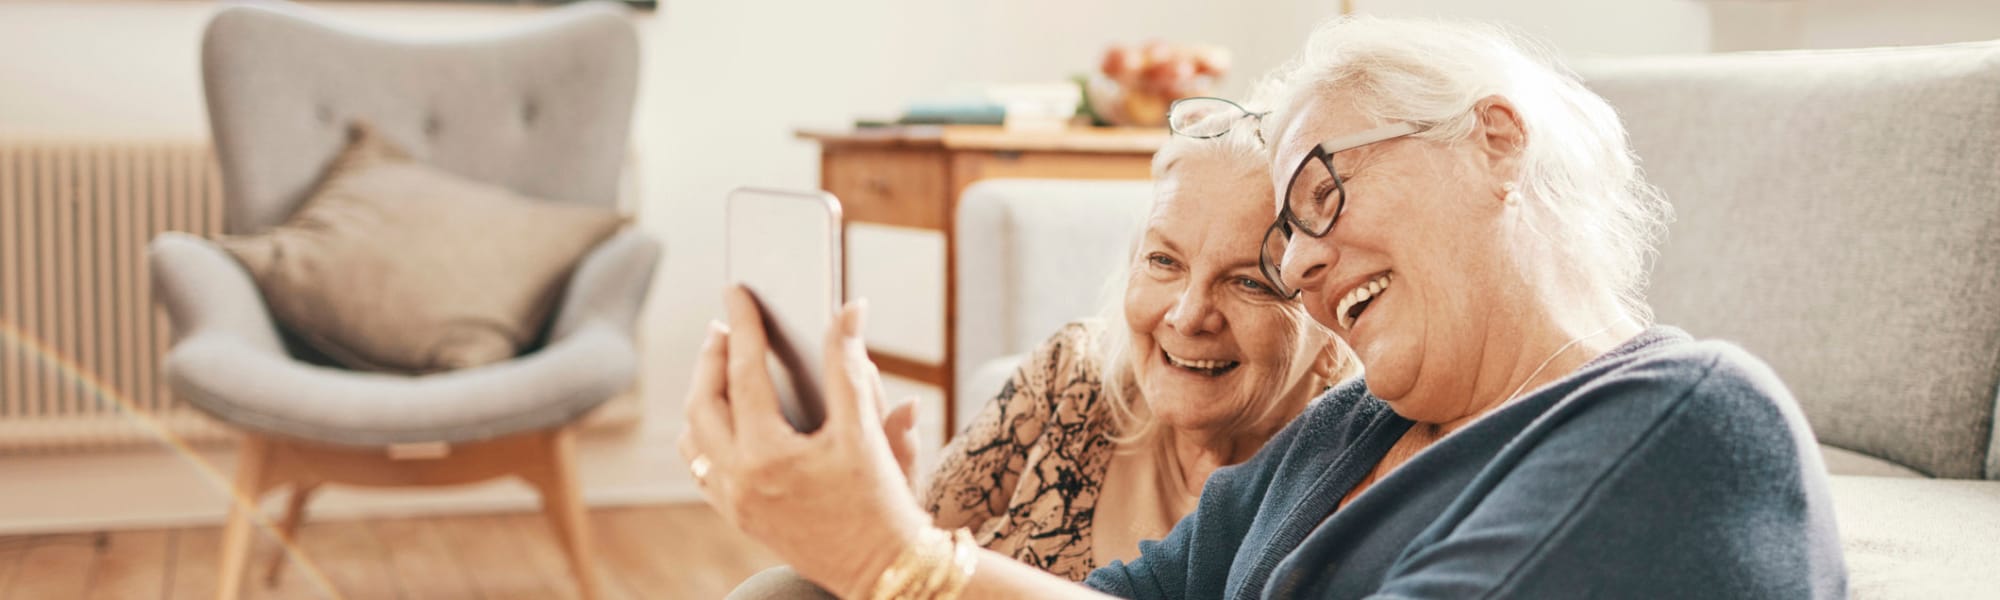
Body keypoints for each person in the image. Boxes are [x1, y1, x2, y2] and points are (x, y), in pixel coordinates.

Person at [682, 16, 1846, 600]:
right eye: (1282, 238)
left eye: (1316, 195)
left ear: (1491, 142)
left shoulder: (1683, 420)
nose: (1295, 266)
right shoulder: (1350, 435)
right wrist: (878, 541)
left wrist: (900, 562)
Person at [726, 115, 1354, 598]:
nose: (1188, 315)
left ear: (1328, 323)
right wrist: (871, 496)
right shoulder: (1074, 373)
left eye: (1249, 282)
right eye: (1164, 261)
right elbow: (903, 552)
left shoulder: (1344, 479)